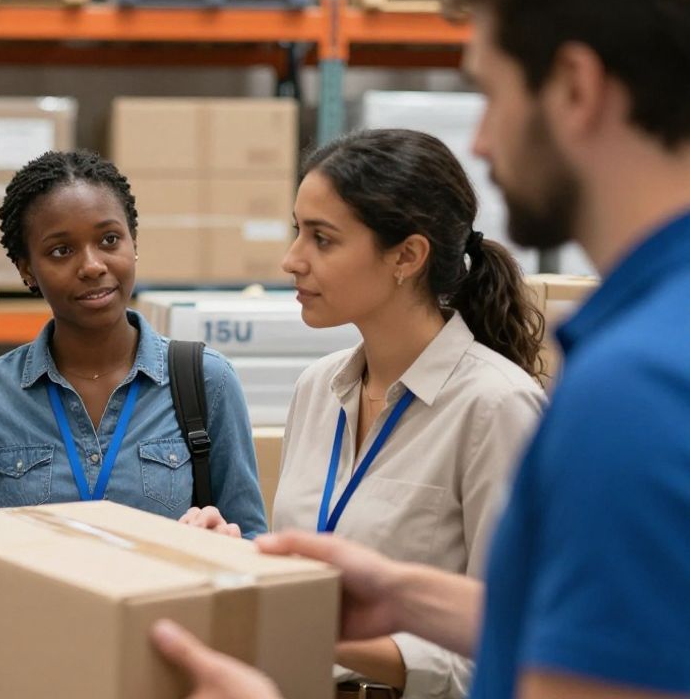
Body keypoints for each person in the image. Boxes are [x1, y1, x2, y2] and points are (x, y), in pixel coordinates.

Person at [152, 0, 690, 697]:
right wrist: (370, 596)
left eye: (491, 92)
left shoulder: (629, 385)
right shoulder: (648, 341)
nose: (480, 138)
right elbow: (556, 621)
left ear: (575, 87)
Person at [185, 129, 546, 699]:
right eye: (296, 231)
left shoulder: (496, 407)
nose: (291, 260)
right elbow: (319, 567)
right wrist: (233, 559)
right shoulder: (318, 389)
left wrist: (319, 633)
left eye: (322, 239)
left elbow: (517, 645)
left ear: (407, 256)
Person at [0, 150, 267, 536]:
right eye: (61, 251)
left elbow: (251, 541)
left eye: (109, 239)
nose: (93, 265)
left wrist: (224, 542)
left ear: (134, 243)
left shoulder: (206, 382)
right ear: (27, 269)